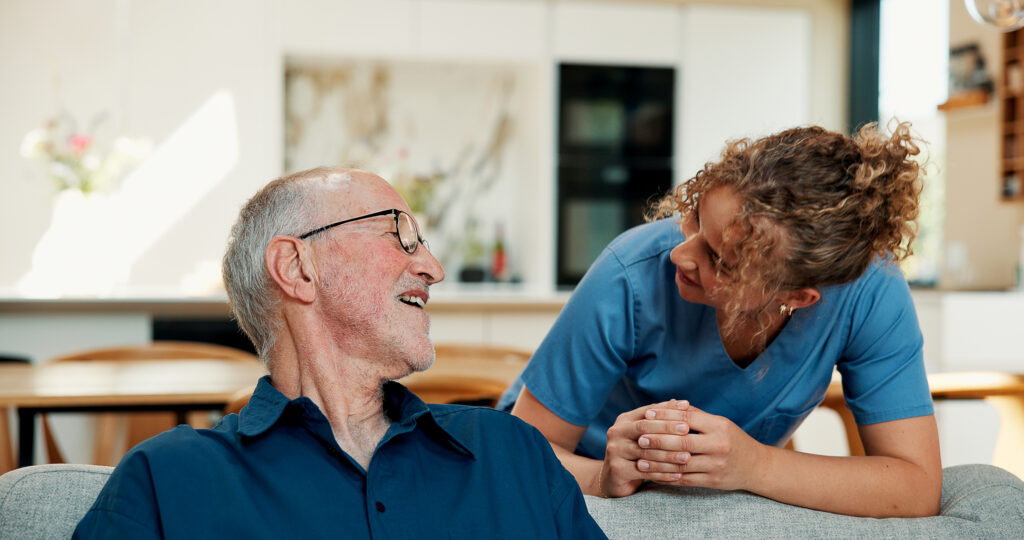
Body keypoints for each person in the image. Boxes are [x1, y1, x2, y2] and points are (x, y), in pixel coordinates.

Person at [74, 167, 606, 539]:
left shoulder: (512, 453)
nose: (433, 268)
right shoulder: (168, 480)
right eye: (400, 234)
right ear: (298, 267)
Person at [499, 122, 941, 518]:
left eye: (718, 259)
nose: (680, 253)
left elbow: (916, 487)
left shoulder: (870, 292)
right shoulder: (629, 274)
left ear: (797, 297)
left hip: (723, 493)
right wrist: (603, 479)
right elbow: (518, 456)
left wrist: (755, 465)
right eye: (693, 220)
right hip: (576, 469)